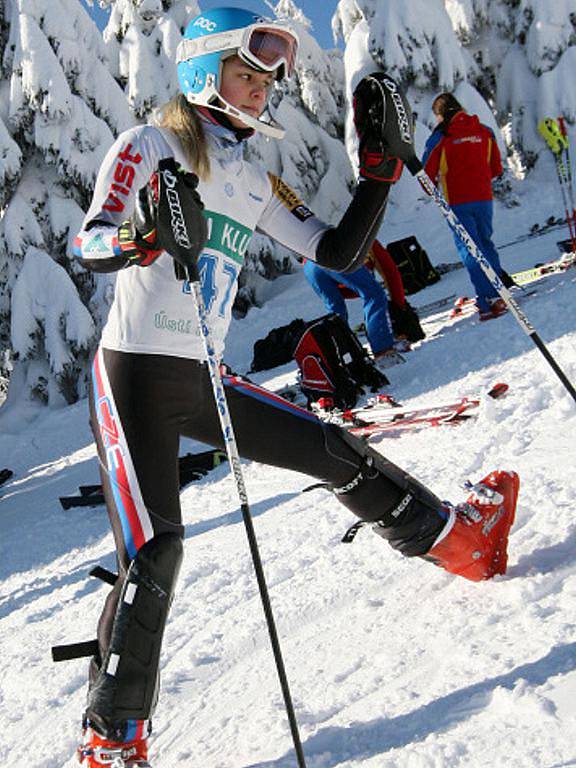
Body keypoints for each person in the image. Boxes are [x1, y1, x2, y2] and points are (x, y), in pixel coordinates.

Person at [69, 12, 519, 766]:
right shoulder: (149, 145)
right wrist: (139, 235)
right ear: (203, 72)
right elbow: (89, 239)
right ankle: (112, 742)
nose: (262, 90)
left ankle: (458, 540)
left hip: (203, 377)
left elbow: (337, 250)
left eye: (270, 79)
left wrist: (379, 173)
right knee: (157, 553)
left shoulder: (252, 173)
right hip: (134, 375)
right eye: (247, 74)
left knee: (334, 448)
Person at [422, 93, 508, 321]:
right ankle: (498, 294)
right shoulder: (484, 130)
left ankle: (488, 299)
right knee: (486, 245)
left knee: (472, 250)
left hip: (458, 202)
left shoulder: (440, 136)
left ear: (441, 115)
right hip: (484, 199)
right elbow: (496, 169)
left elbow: (425, 176)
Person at [301, 256, 405, 366]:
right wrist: (400, 307)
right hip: (333, 256)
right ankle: (383, 351)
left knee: (335, 314)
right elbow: (390, 270)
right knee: (374, 294)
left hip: (309, 264)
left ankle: (347, 359)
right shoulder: (367, 239)